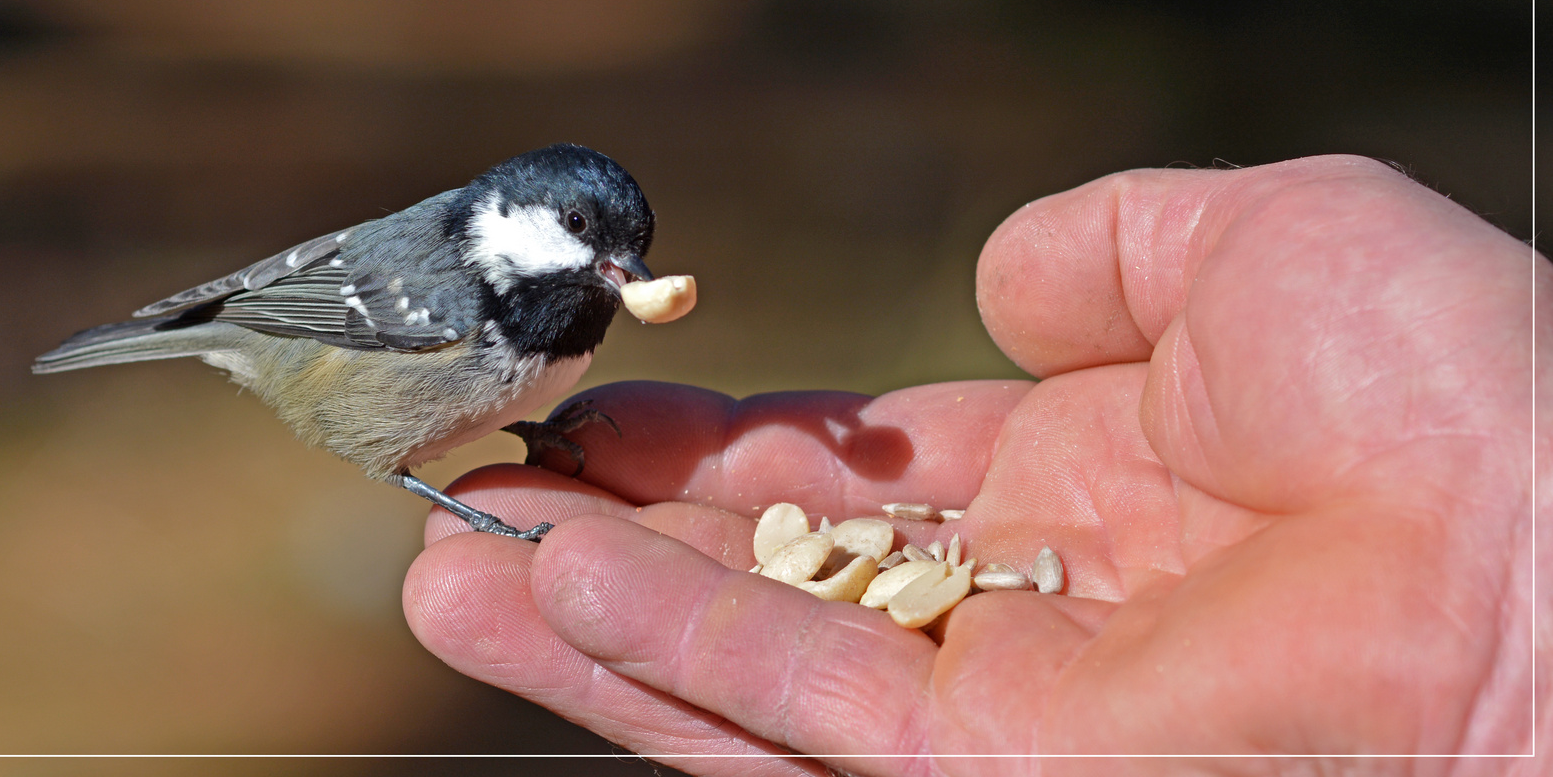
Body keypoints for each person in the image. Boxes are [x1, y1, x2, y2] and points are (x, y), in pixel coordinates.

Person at [401, 155, 1540, 771]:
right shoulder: (460, 272)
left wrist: (1502, 652)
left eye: (626, 255)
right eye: (591, 249)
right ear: (512, 216)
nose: (620, 272)